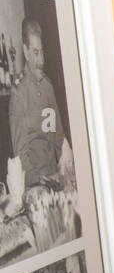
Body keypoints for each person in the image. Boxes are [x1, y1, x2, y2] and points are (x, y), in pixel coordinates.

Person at [9, 18, 70, 186]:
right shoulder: (18, 93)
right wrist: (39, 181)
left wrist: (65, 168)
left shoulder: (48, 86)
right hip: (35, 184)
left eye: (42, 52)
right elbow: (20, 154)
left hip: (55, 176)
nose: (41, 60)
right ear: (26, 51)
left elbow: (59, 135)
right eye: (36, 53)